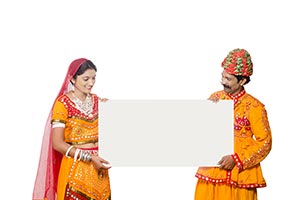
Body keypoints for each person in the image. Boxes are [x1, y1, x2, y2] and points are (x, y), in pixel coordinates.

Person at [194, 48, 272, 200]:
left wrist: (237, 159)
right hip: (211, 172)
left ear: (242, 81)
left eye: (228, 79)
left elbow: (265, 143)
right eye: (223, 77)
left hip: (240, 176)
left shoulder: (255, 107)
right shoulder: (215, 97)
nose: (223, 82)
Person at [33, 58, 111, 200]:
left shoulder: (97, 100)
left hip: (99, 167)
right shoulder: (62, 104)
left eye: (94, 78)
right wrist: (89, 157)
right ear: (73, 79)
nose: (91, 83)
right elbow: (57, 143)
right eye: (86, 79)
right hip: (76, 167)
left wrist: (111, 110)